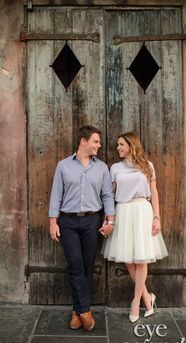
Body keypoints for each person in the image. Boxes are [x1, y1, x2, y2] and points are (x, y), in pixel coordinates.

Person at [49, 125, 115, 331]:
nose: (99, 145)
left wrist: (110, 221)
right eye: (96, 141)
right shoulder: (63, 166)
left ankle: (76, 311)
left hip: (92, 221)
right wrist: (53, 221)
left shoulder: (102, 167)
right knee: (75, 263)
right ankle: (86, 310)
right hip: (67, 222)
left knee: (86, 266)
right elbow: (56, 195)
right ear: (83, 141)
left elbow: (107, 196)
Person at [102, 132, 168, 323]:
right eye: (117, 144)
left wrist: (157, 218)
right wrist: (109, 218)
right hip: (123, 211)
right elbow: (109, 196)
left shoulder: (147, 166)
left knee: (141, 260)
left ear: (131, 145)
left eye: (121, 144)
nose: (118, 148)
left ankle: (135, 302)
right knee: (129, 260)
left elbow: (154, 193)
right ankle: (148, 297)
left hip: (142, 211)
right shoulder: (114, 168)